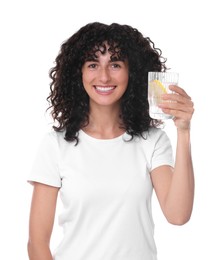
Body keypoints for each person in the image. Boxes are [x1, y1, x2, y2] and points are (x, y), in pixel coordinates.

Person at [27, 22, 194, 260]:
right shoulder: (56, 145)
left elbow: (178, 215)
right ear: (79, 73)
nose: (104, 76)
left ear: (132, 72)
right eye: (93, 64)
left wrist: (184, 132)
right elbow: (37, 243)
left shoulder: (152, 141)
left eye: (115, 64)